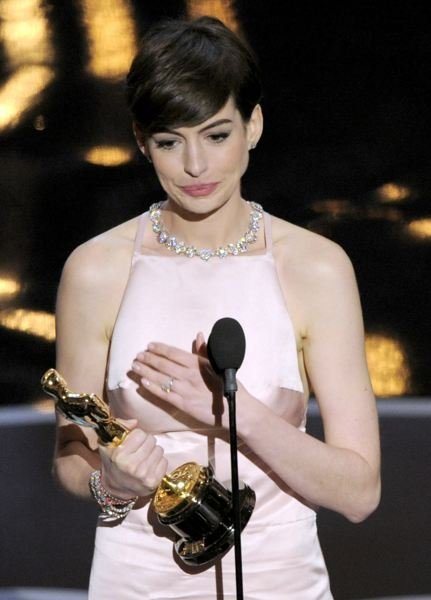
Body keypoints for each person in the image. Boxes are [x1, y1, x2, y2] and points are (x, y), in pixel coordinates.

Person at [53, 15, 381, 599]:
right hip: (136, 580)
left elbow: (359, 493)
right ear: (141, 142)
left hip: (280, 580)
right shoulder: (97, 270)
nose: (196, 166)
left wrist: (236, 414)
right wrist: (110, 483)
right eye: (169, 142)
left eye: (216, 135)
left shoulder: (316, 268)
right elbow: (71, 453)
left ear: (253, 125)